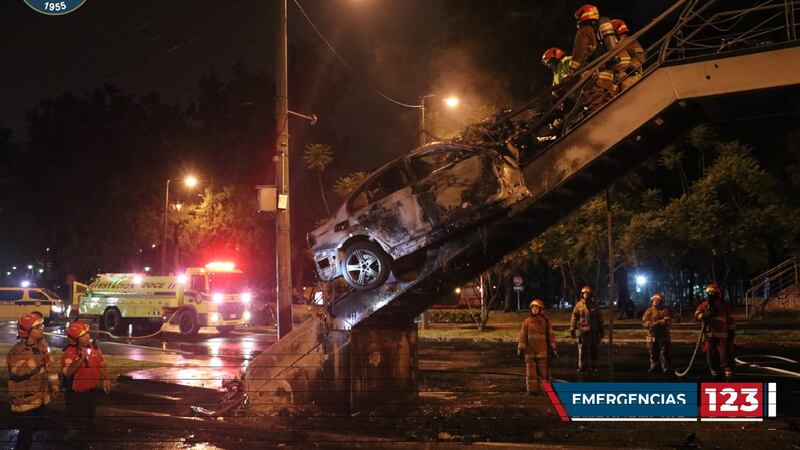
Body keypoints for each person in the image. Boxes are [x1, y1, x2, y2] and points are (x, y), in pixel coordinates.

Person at [7, 313, 60, 450]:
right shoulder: (17, 351)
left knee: (34, 428)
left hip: (39, 397)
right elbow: (16, 371)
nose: (43, 328)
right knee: (26, 435)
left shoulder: (43, 346)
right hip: (24, 400)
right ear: (28, 332)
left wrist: (54, 384)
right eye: (38, 327)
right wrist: (37, 361)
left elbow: (50, 366)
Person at [61, 321, 112, 444]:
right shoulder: (69, 352)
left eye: (87, 333)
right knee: (79, 424)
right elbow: (67, 373)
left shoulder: (93, 346)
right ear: (76, 339)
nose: (88, 337)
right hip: (76, 395)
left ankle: (84, 440)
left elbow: (100, 364)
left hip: (92, 392)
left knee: (90, 420)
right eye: (84, 335)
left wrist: (106, 378)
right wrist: (81, 358)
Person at [567, 5, 617, 116]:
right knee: (611, 106)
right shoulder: (600, 30)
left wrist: (571, 70)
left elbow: (579, 54)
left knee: (595, 109)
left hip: (595, 78)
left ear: (582, 16)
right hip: (608, 76)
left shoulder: (584, 31)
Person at [694, 283, 736, 381]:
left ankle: (729, 375)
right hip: (709, 336)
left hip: (722, 336)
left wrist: (731, 332)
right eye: (709, 293)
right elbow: (696, 314)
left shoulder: (724, 306)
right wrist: (703, 315)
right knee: (711, 355)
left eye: (713, 293)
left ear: (717, 294)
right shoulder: (704, 305)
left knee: (724, 354)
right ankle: (715, 374)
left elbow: (730, 320)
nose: (710, 295)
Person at [517, 299, 558, 395]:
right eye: (533, 308)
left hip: (542, 352)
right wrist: (520, 348)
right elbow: (522, 336)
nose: (534, 310)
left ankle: (545, 391)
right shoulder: (526, 322)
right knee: (531, 374)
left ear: (540, 309)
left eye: (536, 308)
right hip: (529, 352)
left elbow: (551, 336)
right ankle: (532, 391)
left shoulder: (545, 322)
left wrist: (554, 349)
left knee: (544, 374)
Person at [569, 285, 604, 372]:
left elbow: (600, 318)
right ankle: (581, 366)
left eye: (587, 294)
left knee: (594, 350)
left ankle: (594, 366)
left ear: (590, 295)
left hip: (593, 331)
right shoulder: (578, 305)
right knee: (582, 350)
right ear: (582, 294)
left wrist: (601, 330)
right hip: (582, 332)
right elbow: (574, 318)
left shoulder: (594, 306)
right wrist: (572, 329)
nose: (586, 295)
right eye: (584, 293)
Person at [611, 19, 646, 91]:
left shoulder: (630, 41)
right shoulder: (615, 45)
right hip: (619, 78)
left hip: (630, 76)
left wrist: (629, 70)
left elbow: (640, 56)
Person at [642, 293, 672, 374]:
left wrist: (659, 323)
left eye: (657, 300)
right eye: (654, 300)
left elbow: (667, 320)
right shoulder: (648, 311)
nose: (655, 301)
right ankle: (654, 366)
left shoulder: (664, 310)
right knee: (652, 352)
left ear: (660, 301)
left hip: (663, 335)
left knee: (664, 352)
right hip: (651, 335)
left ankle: (666, 367)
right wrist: (647, 324)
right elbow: (644, 322)